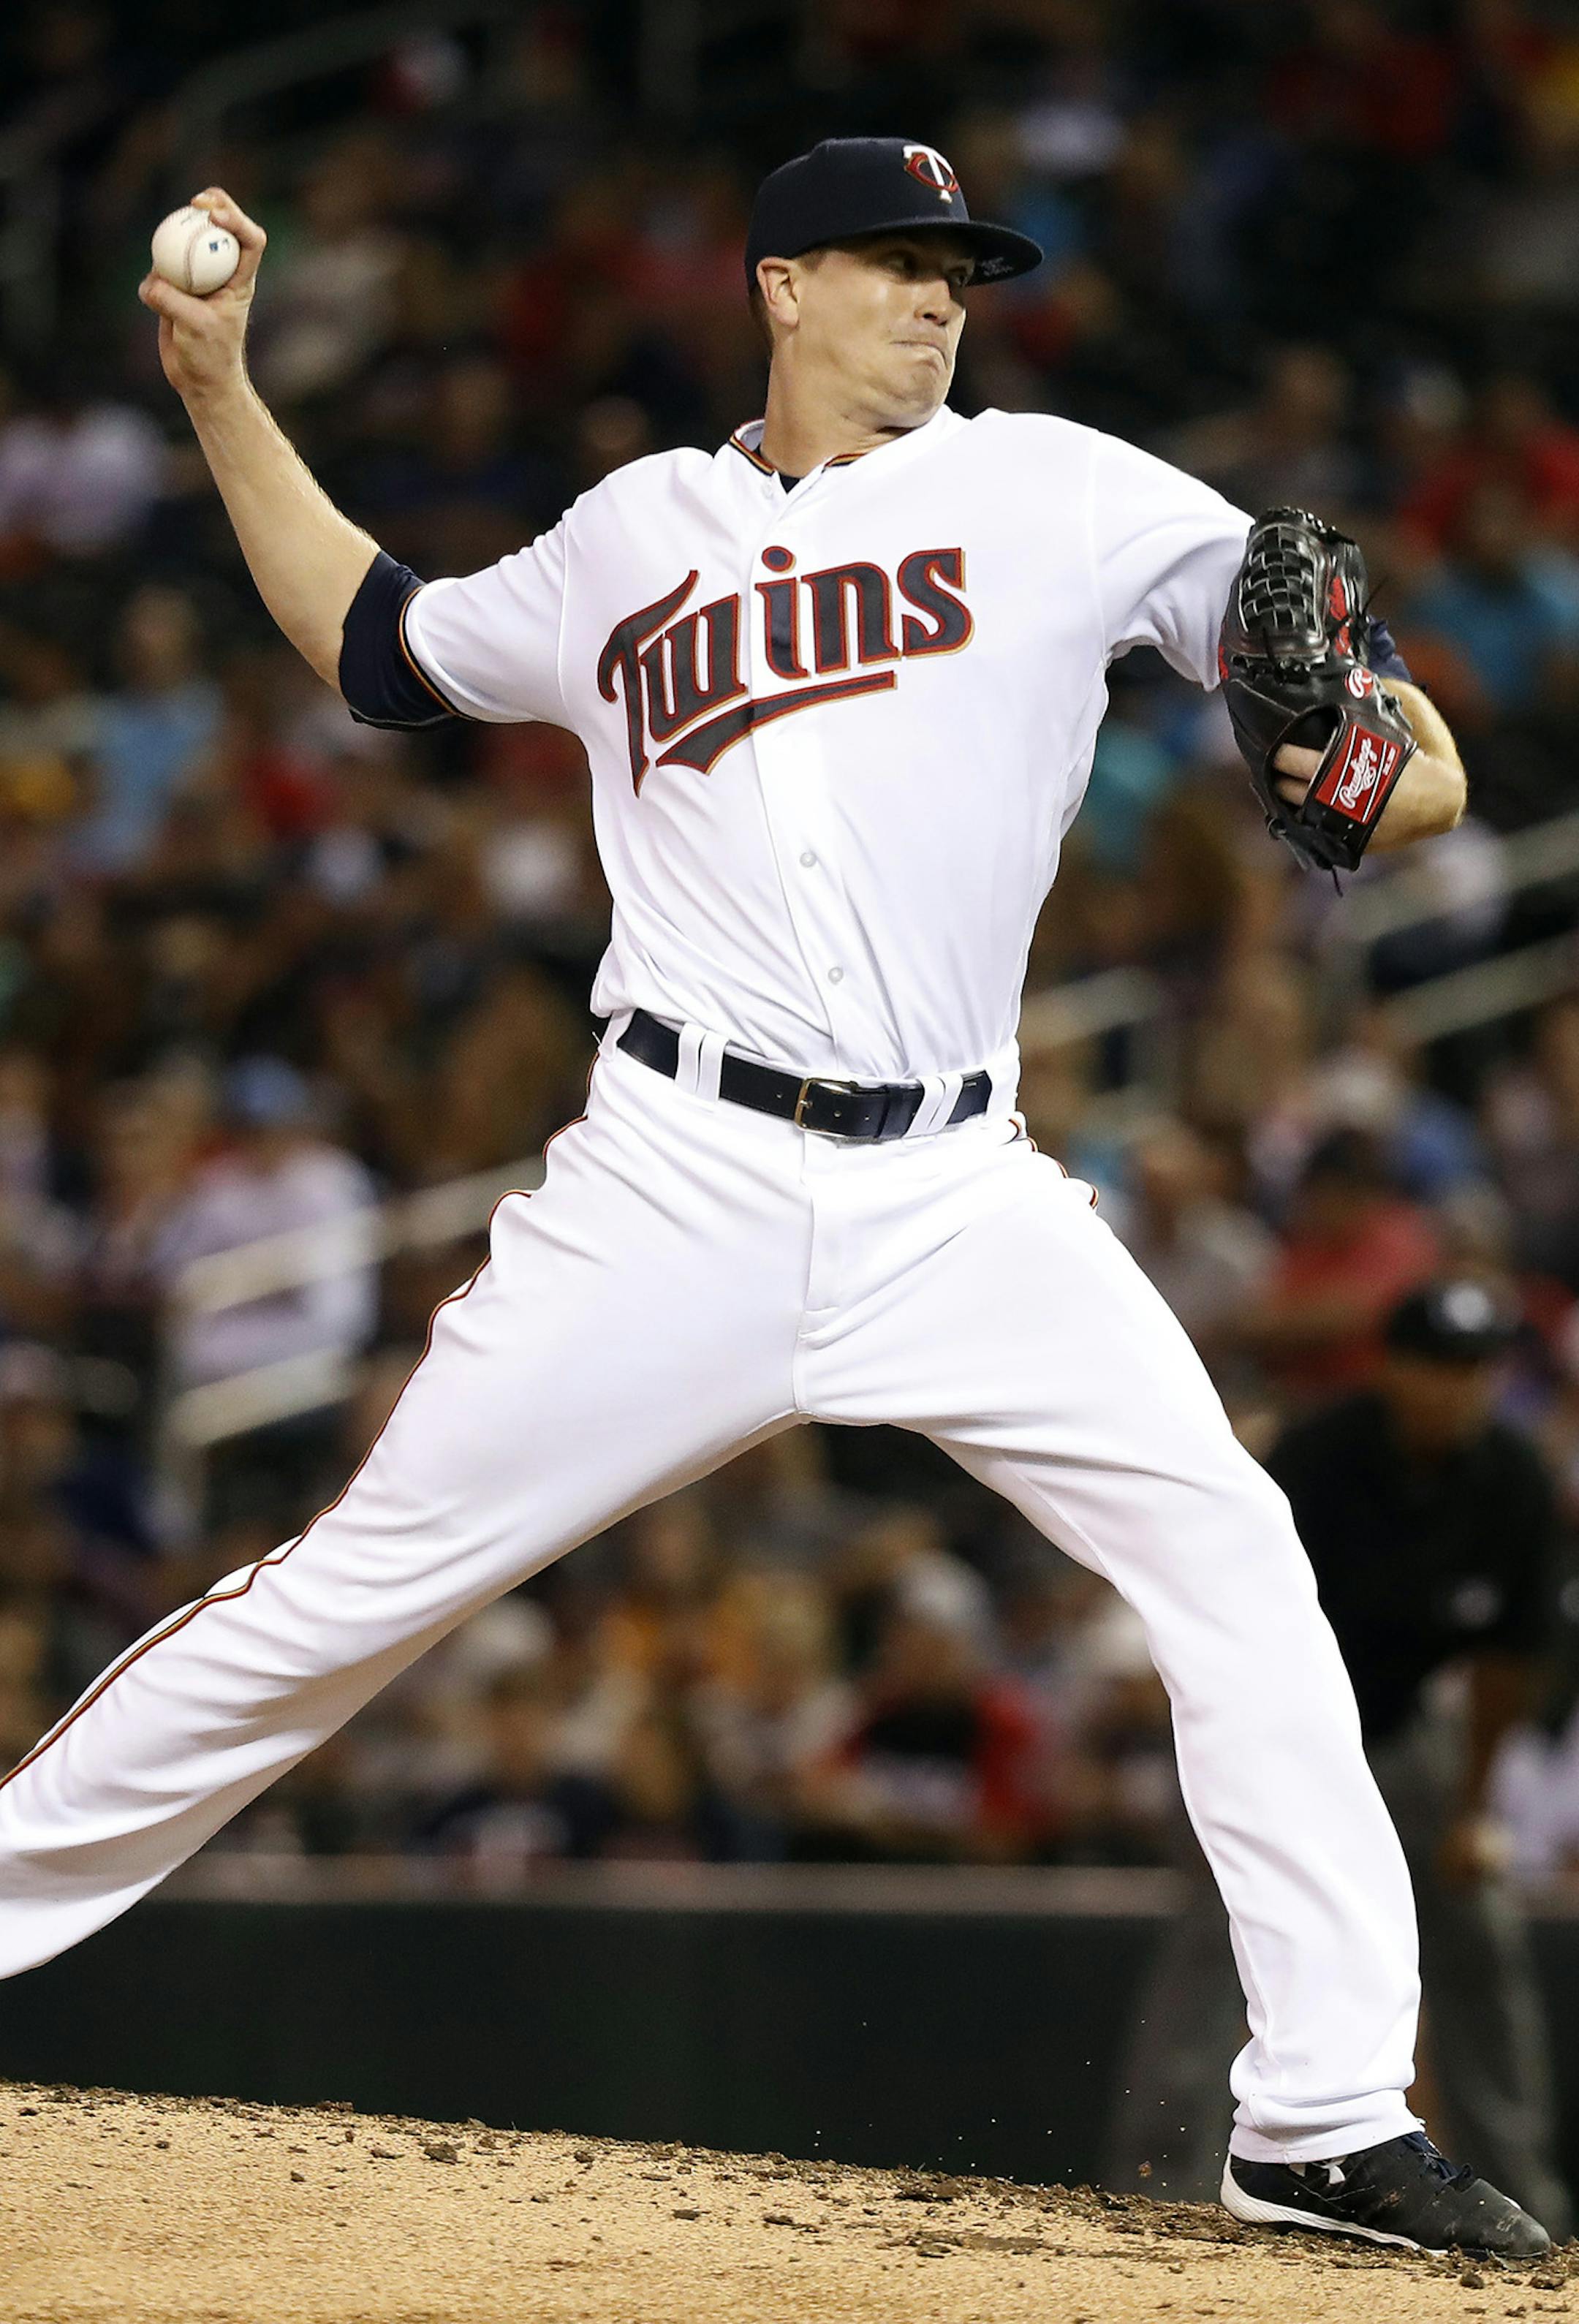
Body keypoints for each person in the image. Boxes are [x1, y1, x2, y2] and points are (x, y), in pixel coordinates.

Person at [0, 137, 1542, 2257]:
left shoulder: (1065, 492)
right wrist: (215, 388)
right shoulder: (637, 530)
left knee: (1241, 1563)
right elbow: (374, 644)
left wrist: (1385, 761)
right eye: (900, 265)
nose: (941, 302)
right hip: (674, 1180)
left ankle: (1322, 2112)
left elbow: (1364, 707)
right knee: (352, 1591)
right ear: (781, 283)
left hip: (962, 1187)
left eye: (962, 272)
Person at [1107, 1278, 1570, 2236]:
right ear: (1392, 1366)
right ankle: (1155, 2186)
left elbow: (1505, 1661)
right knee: (1213, 1943)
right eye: (1436, 1364)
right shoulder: (1322, 1455)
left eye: (1473, 1369)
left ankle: (1523, 2191)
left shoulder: (1514, 1477)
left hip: (1407, 1734)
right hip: (1275, 1732)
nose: (1453, 1387)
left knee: (1479, 1941)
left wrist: (1477, 1807)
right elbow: (1223, 1608)